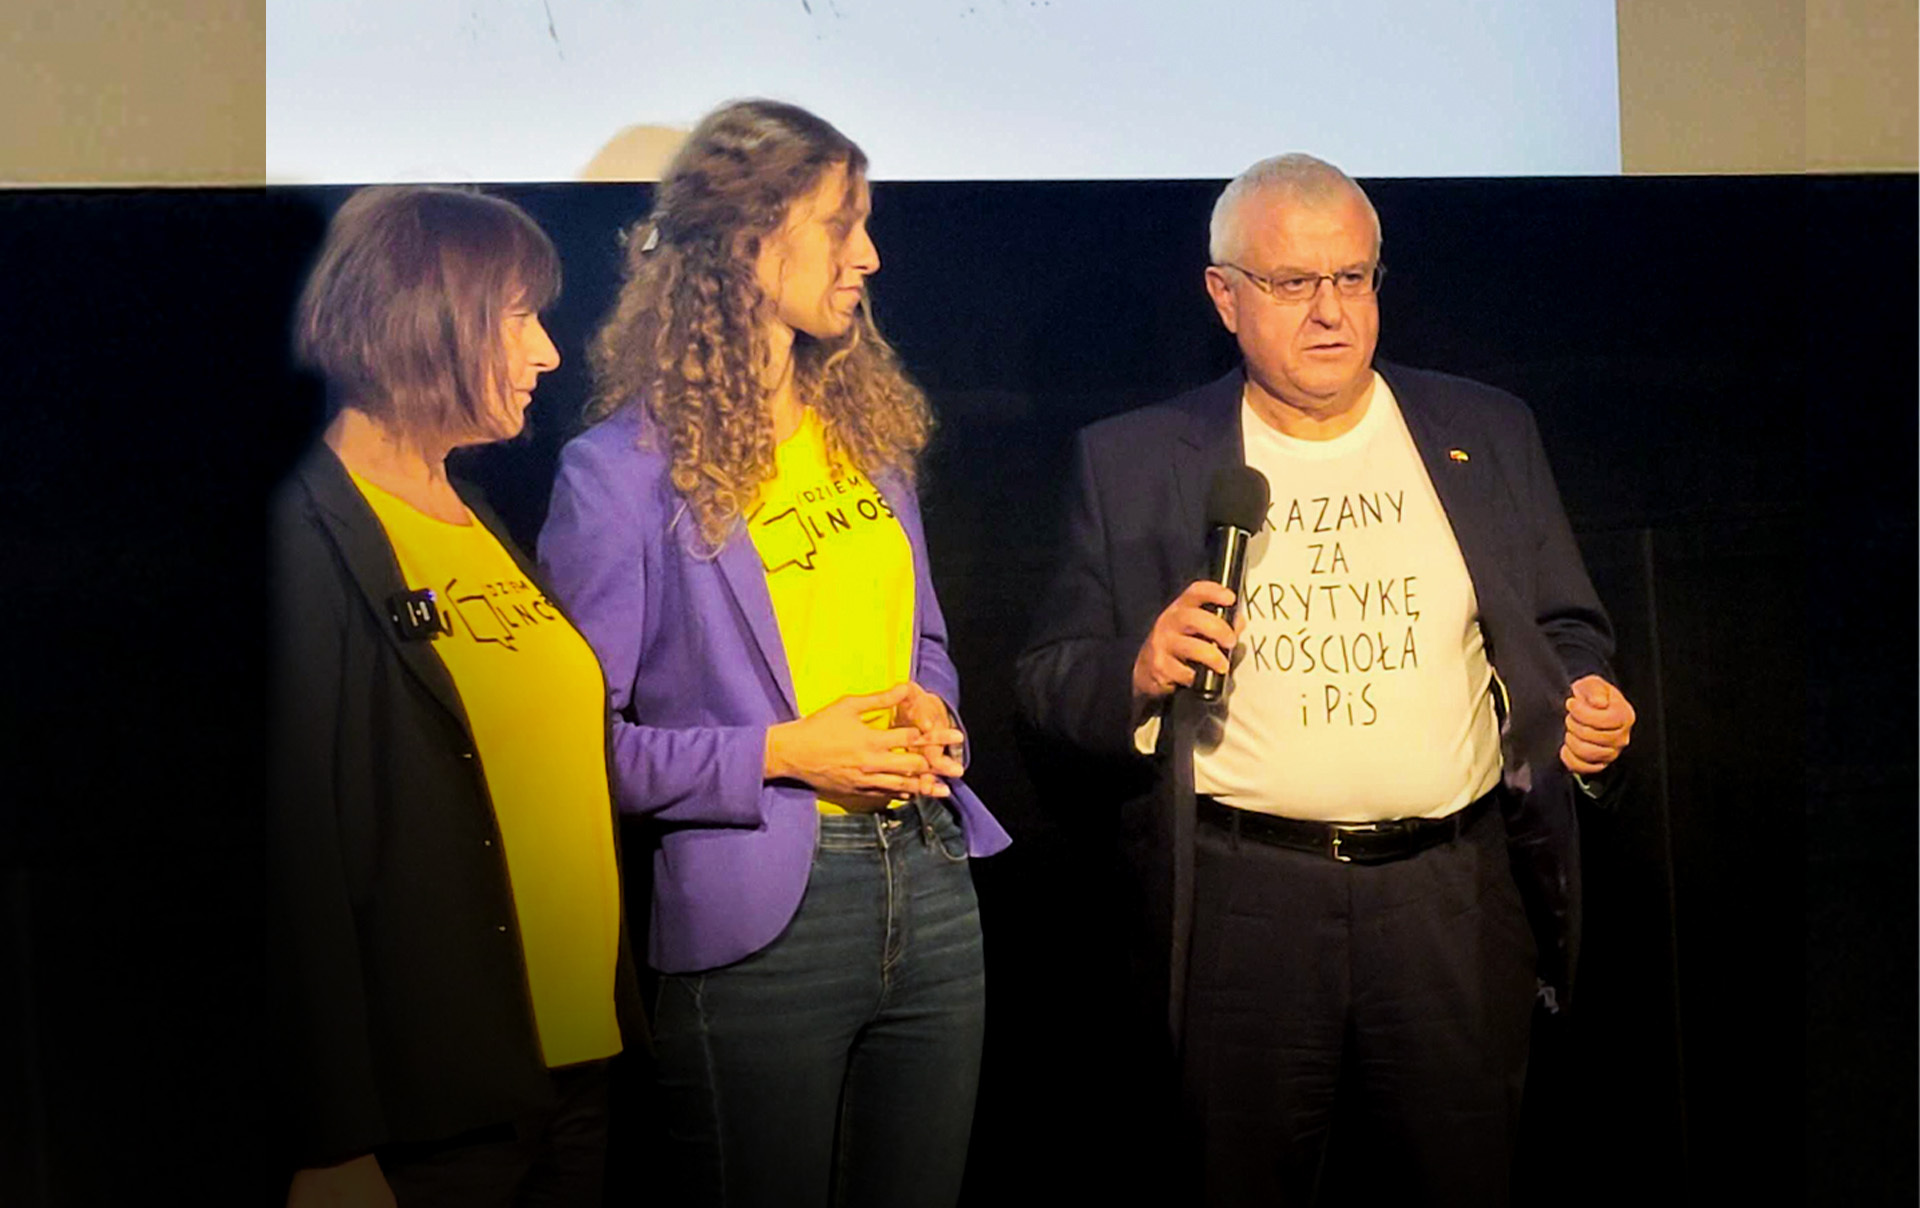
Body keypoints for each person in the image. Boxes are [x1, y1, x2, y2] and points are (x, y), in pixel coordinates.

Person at [1015, 154, 1635, 1205]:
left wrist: (1589, 698)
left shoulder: (1484, 431)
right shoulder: (1133, 462)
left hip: (1451, 898)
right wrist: (1136, 670)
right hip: (1247, 911)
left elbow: (1567, 625)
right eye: (1293, 283)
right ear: (1225, 295)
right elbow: (1046, 677)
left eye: (1353, 278)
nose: (1330, 312)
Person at [537, 99, 1010, 1208]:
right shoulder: (619, 475)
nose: (870, 255)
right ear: (752, 241)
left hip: (930, 882)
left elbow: (926, 639)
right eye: (844, 223)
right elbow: (581, 748)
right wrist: (786, 751)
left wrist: (930, 710)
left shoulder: (866, 437)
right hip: (765, 914)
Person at [270, 186, 643, 1207]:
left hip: (568, 1070)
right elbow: (293, 857)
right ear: (431, 316)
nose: (547, 354)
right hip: (429, 1111)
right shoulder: (306, 534)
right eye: (520, 314)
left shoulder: (471, 510)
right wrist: (331, 1136)